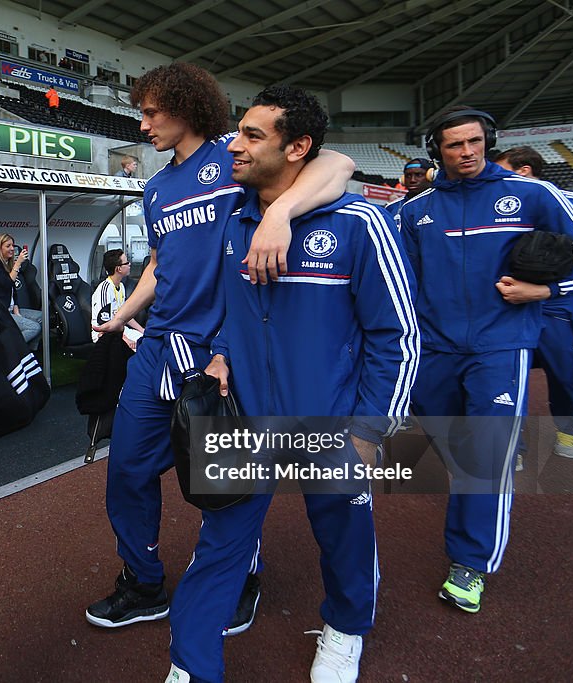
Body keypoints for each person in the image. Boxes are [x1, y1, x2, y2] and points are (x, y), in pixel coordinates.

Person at [87, 62, 355, 636]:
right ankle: (144, 582)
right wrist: (121, 318)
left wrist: (280, 211)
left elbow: (337, 163)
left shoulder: (232, 160)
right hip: (158, 346)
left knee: (224, 482)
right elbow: (160, 264)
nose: (143, 125)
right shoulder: (156, 187)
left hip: (216, 354)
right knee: (127, 472)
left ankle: (238, 577)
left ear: (186, 106)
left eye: (153, 112)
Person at [171, 85, 419, 683]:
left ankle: (346, 628)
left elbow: (399, 337)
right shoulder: (233, 221)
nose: (236, 144)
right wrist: (223, 355)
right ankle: (190, 664)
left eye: (253, 135)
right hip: (247, 421)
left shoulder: (360, 224)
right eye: (239, 132)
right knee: (219, 545)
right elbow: (234, 312)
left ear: (298, 146)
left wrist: (370, 430)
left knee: (344, 538)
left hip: (330, 422)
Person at [398, 107, 573, 615]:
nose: (466, 152)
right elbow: (397, 279)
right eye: (454, 145)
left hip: (500, 347)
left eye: (474, 142)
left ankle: (470, 563)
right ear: (436, 152)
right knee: (455, 449)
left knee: (485, 458)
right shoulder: (414, 210)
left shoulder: (533, 194)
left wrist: (546, 288)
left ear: (486, 141)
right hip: (433, 349)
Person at [494, 146, 573, 466]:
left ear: (524, 171)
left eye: (503, 171)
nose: (496, 179)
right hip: (507, 304)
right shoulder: (493, 205)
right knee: (504, 378)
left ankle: (570, 432)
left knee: (567, 372)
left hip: (558, 305)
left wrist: (548, 290)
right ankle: (514, 443)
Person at [0, 233, 42, 348]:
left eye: (12, 245)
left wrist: (16, 307)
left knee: (42, 317)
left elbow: (12, 290)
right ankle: (9, 349)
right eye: (8, 246)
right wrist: (18, 264)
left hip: (11, 309)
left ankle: (30, 350)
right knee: (34, 327)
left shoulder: (7, 263)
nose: (12, 249)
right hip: (0, 312)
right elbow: (7, 283)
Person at [91, 248, 144, 347]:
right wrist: (126, 340)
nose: (129, 264)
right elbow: (104, 325)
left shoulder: (121, 286)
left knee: (145, 341)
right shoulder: (105, 289)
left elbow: (125, 315)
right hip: (104, 335)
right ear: (118, 269)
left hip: (120, 331)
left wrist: (143, 331)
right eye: (126, 262)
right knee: (136, 348)